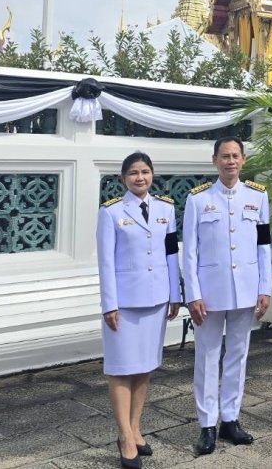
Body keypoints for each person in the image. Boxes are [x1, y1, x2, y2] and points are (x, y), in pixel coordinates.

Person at [182, 137, 272, 456]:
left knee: (238, 354)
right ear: (214, 160)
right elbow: (189, 252)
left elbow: (264, 246)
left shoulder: (257, 197)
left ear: (243, 160)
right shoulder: (198, 200)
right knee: (206, 357)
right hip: (209, 292)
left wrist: (265, 287)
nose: (230, 161)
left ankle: (230, 420)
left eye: (235, 156)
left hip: (246, 289)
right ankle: (207, 424)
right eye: (224, 156)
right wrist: (192, 294)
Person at [96, 152, 181, 468]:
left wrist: (176, 293)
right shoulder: (111, 212)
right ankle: (123, 436)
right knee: (120, 367)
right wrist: (109, 303)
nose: (140, 177)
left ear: (152, 175)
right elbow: (105, 261)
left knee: (144, 365)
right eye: (133, 173)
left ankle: (135, 428)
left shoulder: (166, 209)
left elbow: (171, 253)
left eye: (145, 172)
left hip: (157, 298)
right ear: (123, 178)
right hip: (125, 303)